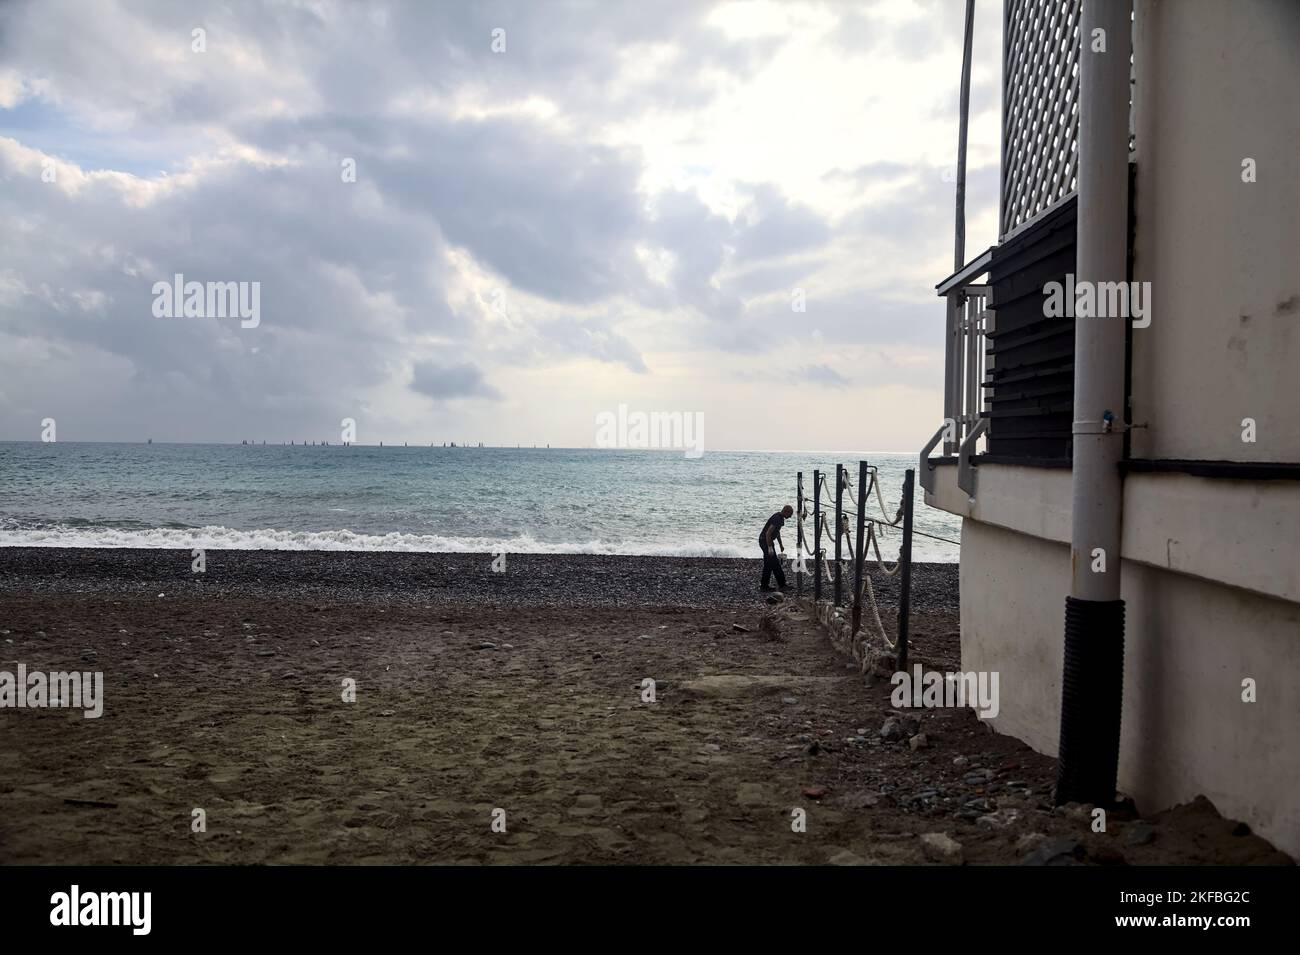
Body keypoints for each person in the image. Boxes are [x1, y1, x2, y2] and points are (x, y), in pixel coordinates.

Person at [758, 504, 793, 591]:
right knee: (775, 563)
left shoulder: (780, 519)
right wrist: (770, 547)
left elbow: (777, 532)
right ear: (786, 511)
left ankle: (764, 586)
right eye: (790, 514)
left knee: (768, 564)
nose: (790, 517)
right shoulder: (776, 518)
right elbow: (768, 533)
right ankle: (782, 584)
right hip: (764, 540)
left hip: (767, 540)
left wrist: (780, 544)